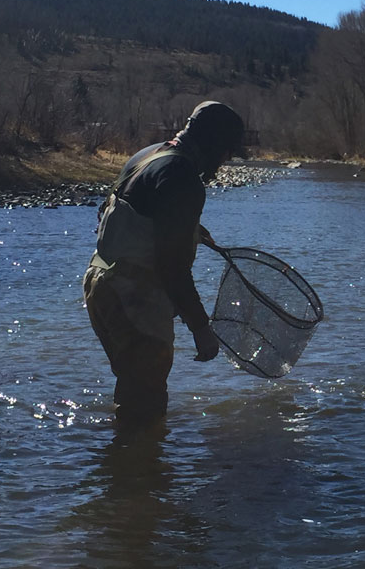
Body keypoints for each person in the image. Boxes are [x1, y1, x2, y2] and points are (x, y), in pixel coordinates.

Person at [83, 100, 245, 425]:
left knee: (133, 393)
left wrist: (189, 228)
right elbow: (172, 267)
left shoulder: (150, 154)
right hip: (134, 300)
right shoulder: (184, 178)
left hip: (99, 285)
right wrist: (201, 328)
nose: (226, 161)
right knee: (145, 412)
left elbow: (115, 210)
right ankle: (138, 470)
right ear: (212, 143)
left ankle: (122, 466)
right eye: (226, 151)